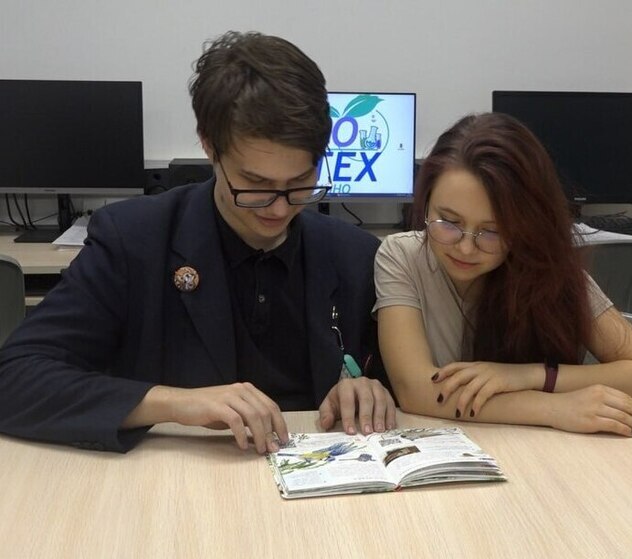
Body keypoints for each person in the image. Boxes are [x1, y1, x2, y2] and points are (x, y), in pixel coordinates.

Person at [0, 31, 396, 454]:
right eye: (255, 184)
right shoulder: (134, 240)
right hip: (177, 479)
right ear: (209, 146)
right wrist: (173, 403)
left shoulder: (354, 254)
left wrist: (369, 391)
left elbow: (393, 380)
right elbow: (14, 380)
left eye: (300, 182)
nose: (280, 208)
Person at [374, 112, 632, 437]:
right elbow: (417, 390)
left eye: (492, 231)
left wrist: (527, 376)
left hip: (538, 450)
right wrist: (554, 407)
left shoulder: (548, 268)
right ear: (425, 205)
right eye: (448, 222)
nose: (465, 248)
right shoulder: (402, 255)